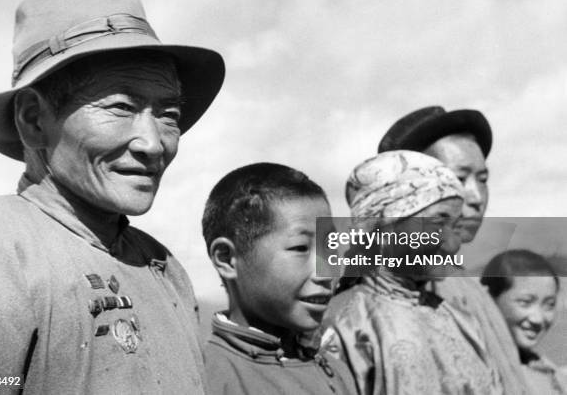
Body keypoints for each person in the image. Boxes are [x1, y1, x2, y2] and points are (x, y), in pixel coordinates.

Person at [0, 0, 224, 393]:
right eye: (121, 107)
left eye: (168, 113)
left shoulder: (166, 270)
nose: (154, 144)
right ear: (33, 119)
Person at [320, 150, 502, 395]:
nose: (453, 243)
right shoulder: (343, 326)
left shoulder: (462, 321)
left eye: (455, 226)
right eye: (438, 223)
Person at [378, 106, 529, 394]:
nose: (476, 197)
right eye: (457, 180)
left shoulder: (467, 287)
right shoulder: (385, 295)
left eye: (482, 179)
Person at [201, 163, 357, 395]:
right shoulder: (205, 378)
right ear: (227, 258)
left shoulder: (334, 370)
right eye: (300, 248)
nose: (328, 272)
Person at [482, 250, 567, 394]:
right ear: (490, 299)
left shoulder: (548, 373)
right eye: (525, 302)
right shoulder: (474, 366)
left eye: (549, 305)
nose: (538, 319)